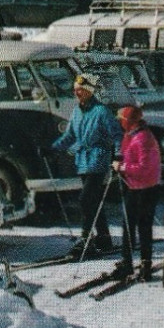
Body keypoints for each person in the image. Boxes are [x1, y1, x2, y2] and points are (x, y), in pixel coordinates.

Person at [51, 74, 124, 258]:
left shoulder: (101, 111)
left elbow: (117, 135)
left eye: (80, 90)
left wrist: (118, 154)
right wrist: (52, 148)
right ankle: (104, 238)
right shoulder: (76, 112)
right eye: (75, 90)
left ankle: (85, 238)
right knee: (94, 200)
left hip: (98, 159)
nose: (77, 93)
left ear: (90, 91)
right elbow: (70, 136)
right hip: (82, 161)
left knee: (85, 199)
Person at [114, 105, 162, 280]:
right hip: (137, 186)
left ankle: (141, 264)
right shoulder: (134, 135)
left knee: (137, 226)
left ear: (129, 121)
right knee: (135, 226)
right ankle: (134, 262)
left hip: (142, 189)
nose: (120, 123)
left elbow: (144, 168)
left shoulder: (142, 138)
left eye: (121, 120)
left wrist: (122, 167)